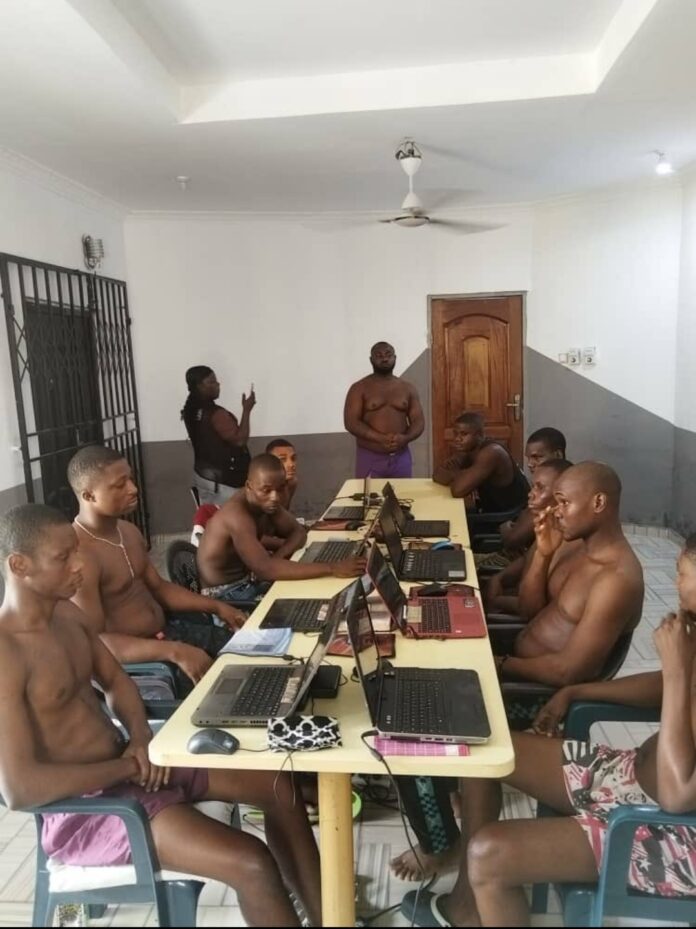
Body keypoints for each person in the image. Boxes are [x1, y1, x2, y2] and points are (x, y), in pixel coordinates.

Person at [0, 504, 321, 928]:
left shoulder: (67, 614)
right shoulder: (7, 652)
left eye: (76, 550)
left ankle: (328, 916)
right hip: (88, 811)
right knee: (251, 863)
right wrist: (128, 765)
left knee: (279, 786)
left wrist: (139, 739)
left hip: (132, 765)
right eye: (63, 557)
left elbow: (117, 682)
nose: (79, 564)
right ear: (19, 566)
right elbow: (20, 790)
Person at [402, 533, 696, 928]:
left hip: (672, 835)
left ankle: (477, 899)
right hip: (630, 778)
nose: (676, 583)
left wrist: (678, 671)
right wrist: (578, 691)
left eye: (683, 574)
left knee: (489, 855)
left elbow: (678, 795)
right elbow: (668, 687)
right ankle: (468, 905)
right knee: (485, 754)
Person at [391, 460, 644, 882]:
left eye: (563, 502)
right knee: (416, 672)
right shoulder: (576, 547)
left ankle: (441, 844)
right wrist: (542, 555)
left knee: (415, 724)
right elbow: (530, 610)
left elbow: (568, 671)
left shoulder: (617, 578)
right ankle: (452, 795)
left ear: (599, 503)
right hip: (520, 661)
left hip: (541, 694)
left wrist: (500, 664)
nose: (554, 511)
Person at [67, 446, 246, 696]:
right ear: (89, 495)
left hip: (168, 633)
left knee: (249, 654)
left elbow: (159, 588)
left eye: (130, 479)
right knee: (227, 694)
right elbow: (96, 642)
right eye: (120, 485)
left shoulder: (128, 532)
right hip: (144, 663)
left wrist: (217, 607)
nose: (133, 488)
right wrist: (175, 652)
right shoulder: (80, 556)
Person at [197, 454, 366, 597]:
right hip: (224, 595)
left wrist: (278, 557)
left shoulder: (264, 501)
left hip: (249, 581)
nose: (275, 497)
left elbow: (298, 532)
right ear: (249, 486)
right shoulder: (237, 515)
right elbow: (265, 570)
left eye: (280, 489)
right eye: (266, 490)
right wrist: (333, 568)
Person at [485, 458, 573, 615]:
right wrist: (498, 578)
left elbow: (531, 608)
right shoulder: (550, 527)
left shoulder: (566, 541)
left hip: (520, 618)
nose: (531, 494)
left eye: (540, 488)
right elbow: (527, 559)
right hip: (513, 595)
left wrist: (496, 600)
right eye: (533, 487)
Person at [344, 341, 425, 478]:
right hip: (370, 457)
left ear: (395, 358)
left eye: (388, 354)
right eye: (379, 355)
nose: (384, 358)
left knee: (404, 492)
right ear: (371, 360)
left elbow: (419, 421)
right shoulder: (359, 388)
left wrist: (405, 438)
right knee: (370, 493)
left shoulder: (408, 388)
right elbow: (351, 422)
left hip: (401, 457)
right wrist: (379, 438)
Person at [182, 365, 256, 507]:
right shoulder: (216, 414)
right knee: (233, 518)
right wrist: (247, 410)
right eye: (211, 382)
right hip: (224, 484)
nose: (217, 384)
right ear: (199, 386)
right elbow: (240, 440)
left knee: (211, 517)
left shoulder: (190, 410)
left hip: (204, 477)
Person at [432, 412, 529, 514]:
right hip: (489, 510)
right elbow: (437, 474)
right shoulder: (467, 450)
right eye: (455, 434)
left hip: (511, 516)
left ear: (480, 435)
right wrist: (460, 475)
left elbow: (457, 490)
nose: (457, 439)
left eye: (464, 434)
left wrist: (455, 475)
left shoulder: (492, 452)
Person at [493, 427, 568, 556]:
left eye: (537, 457)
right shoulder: (542, 483)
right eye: (529, 458)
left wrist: (505, 529)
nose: (530, 464)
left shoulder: (556, 489)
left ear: (558, 455)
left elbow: (512, 540)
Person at [266, 438, 299, 509]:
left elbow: (284, 511)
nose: (291, 464)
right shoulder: (261, 487)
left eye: (293, 458)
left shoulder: (292, 482)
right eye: (283, 459)